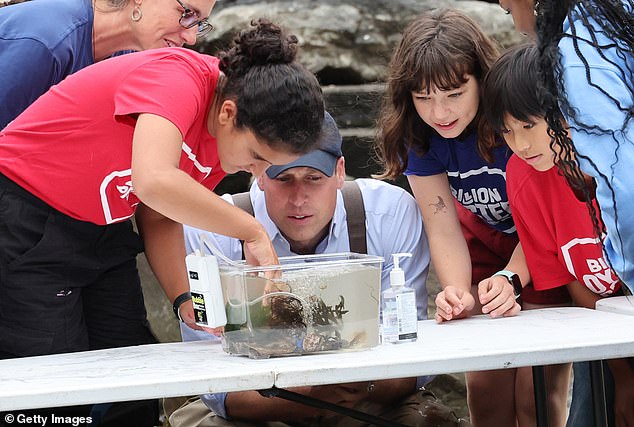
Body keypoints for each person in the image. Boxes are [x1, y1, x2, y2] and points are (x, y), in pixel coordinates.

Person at [0, 18, 324, 425]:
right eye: (258, 156)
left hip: (101, 232)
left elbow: (159, 213)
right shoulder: (179, 76)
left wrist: (184, 298)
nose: (257, 173)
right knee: (50, 393)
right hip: (24, 218)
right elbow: (152, 181)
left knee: (135, 379)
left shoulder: (221, 142)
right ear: (228, 113)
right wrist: (252, 230)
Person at [167, 114, 468, 427]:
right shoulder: (211, 232)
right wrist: (305, 396)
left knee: (425, 421)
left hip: (365, 396)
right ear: (259, 175)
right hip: (258, 402)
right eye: (284, 179)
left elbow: (415, 352)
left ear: (339, 172)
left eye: (314, 178)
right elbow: (208, 380)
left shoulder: (389, 213)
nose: (299, 199)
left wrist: (359, 387)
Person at [374, 9, 571, 427]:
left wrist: (515, 277)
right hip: (482, 247)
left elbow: (549, 218)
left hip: (545, 247)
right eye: (423, 98)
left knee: (534, 392)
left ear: (481, 78)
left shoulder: (513, 126)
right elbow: (441, 224)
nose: (440, 112)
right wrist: (458, 291)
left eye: (454, 94)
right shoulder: (420, 138)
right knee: (485, 388)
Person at [482, 42, 634, 427]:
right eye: (507, 131)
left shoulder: (619, 162)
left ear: (565, 108)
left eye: (529, 125)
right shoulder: (522, 177)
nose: (520, 144)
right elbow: (573, 278)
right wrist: (623, 373)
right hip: (605, 332)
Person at [533, 0, 634, 294]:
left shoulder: (582, 52)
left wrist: (626, 267)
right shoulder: (618, 19)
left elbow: (624, 183)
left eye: (509, 10)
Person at [0, 0, 215, 129]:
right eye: (187, 13)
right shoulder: (45, 43)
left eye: (200, 23)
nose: (192, 38)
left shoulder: (126, 56)